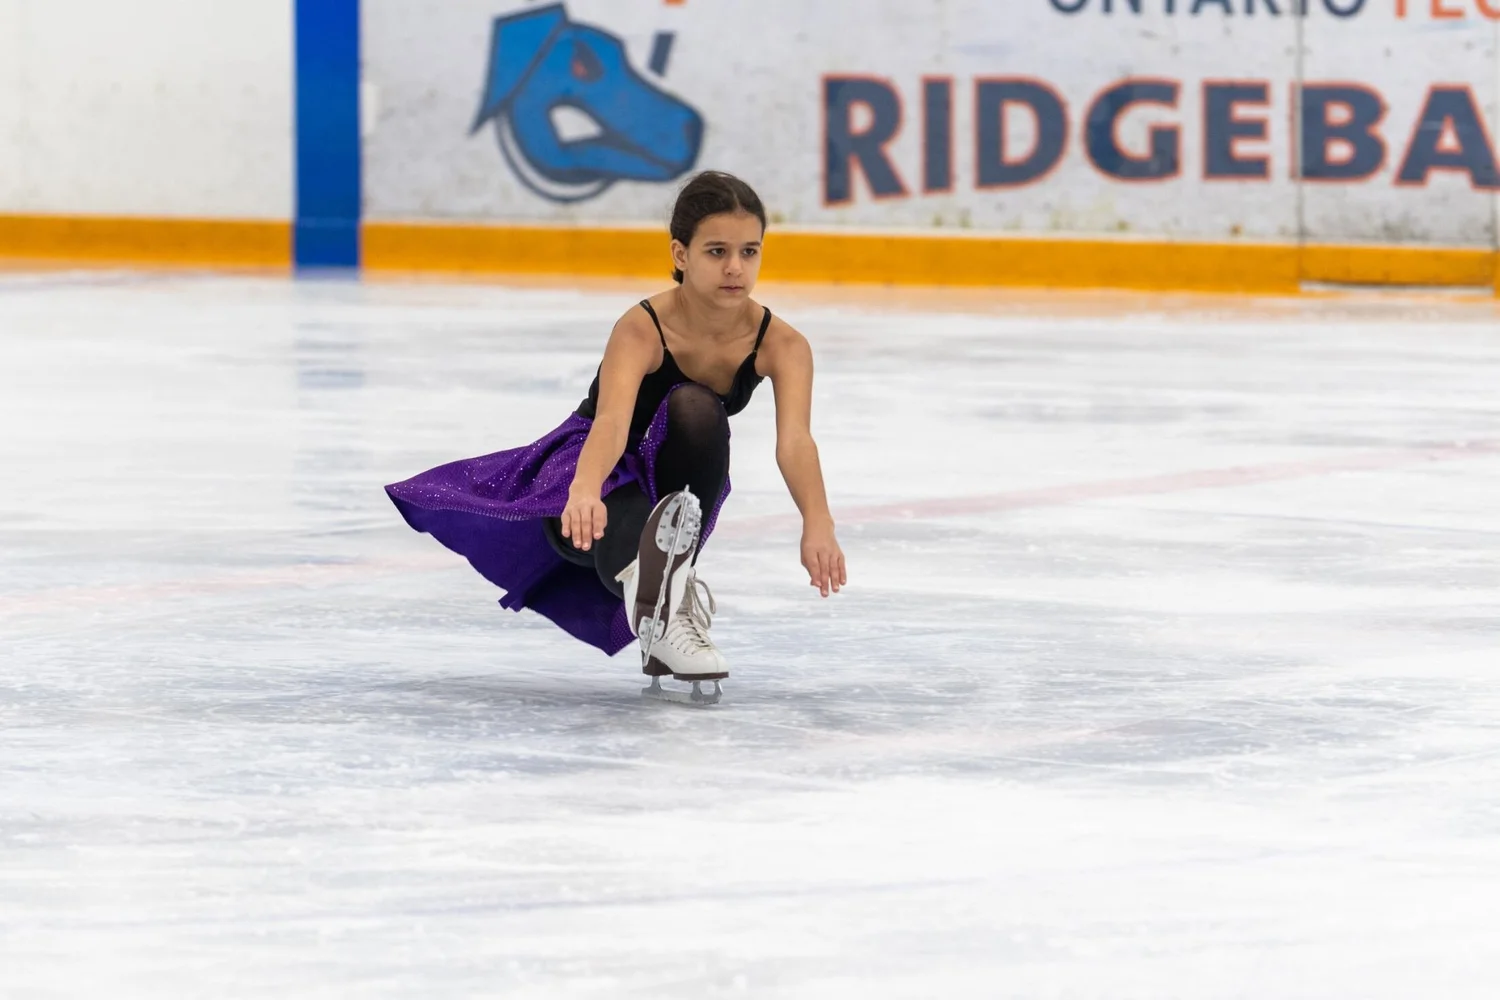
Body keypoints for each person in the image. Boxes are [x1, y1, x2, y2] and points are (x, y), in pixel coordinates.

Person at [385, 170, 846, 689]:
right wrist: (583, 490)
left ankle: (665, 599)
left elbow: (795, 442)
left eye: (749, 251)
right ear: (680, 255)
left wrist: (818, 521)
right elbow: (611, 421)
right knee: (677, 427)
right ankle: (665, 605)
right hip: (594, 470)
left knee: (698, 411)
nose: (736, 268)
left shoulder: (782, 345)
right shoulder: (642, 327)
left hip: (672, 481)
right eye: (717, 251)